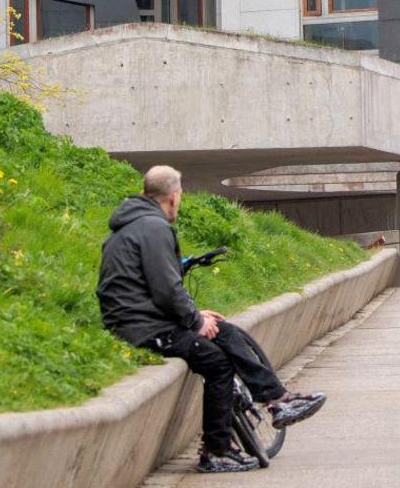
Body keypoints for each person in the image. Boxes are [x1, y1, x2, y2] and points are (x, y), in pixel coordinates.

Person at [98, 165, 326, 474]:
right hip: (140, 328)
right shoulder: (153, 228)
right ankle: (216, 451)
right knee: (216, 362)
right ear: (174, 197)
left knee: (225, 330)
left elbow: (156, 288)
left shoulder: (133, 224)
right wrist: (193, 321)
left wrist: (197, 316)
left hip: (142, 319)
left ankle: (277, 399)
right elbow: (166, 290)